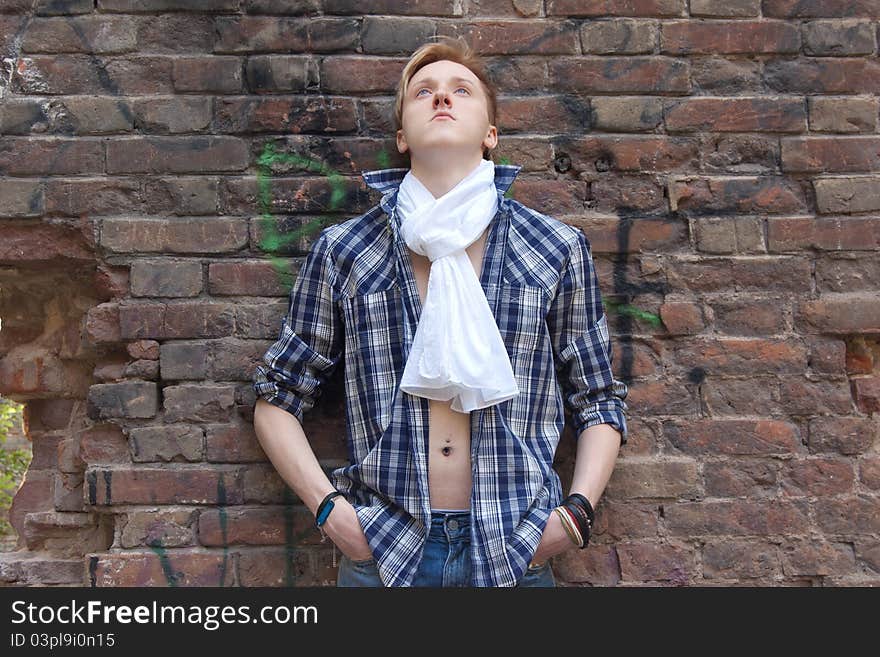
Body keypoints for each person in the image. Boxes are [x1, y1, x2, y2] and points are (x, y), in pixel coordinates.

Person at [252, 36, 629, 587]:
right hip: (386, 552)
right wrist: (332, 512)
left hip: (514, 551)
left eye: (461, 90)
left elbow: (596, 398)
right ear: (402, 135)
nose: (441, 99)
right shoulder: (347, 250)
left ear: (490, 133)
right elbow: (276, 398)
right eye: (422, 91)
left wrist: (573, 517)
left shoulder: (553, 247)